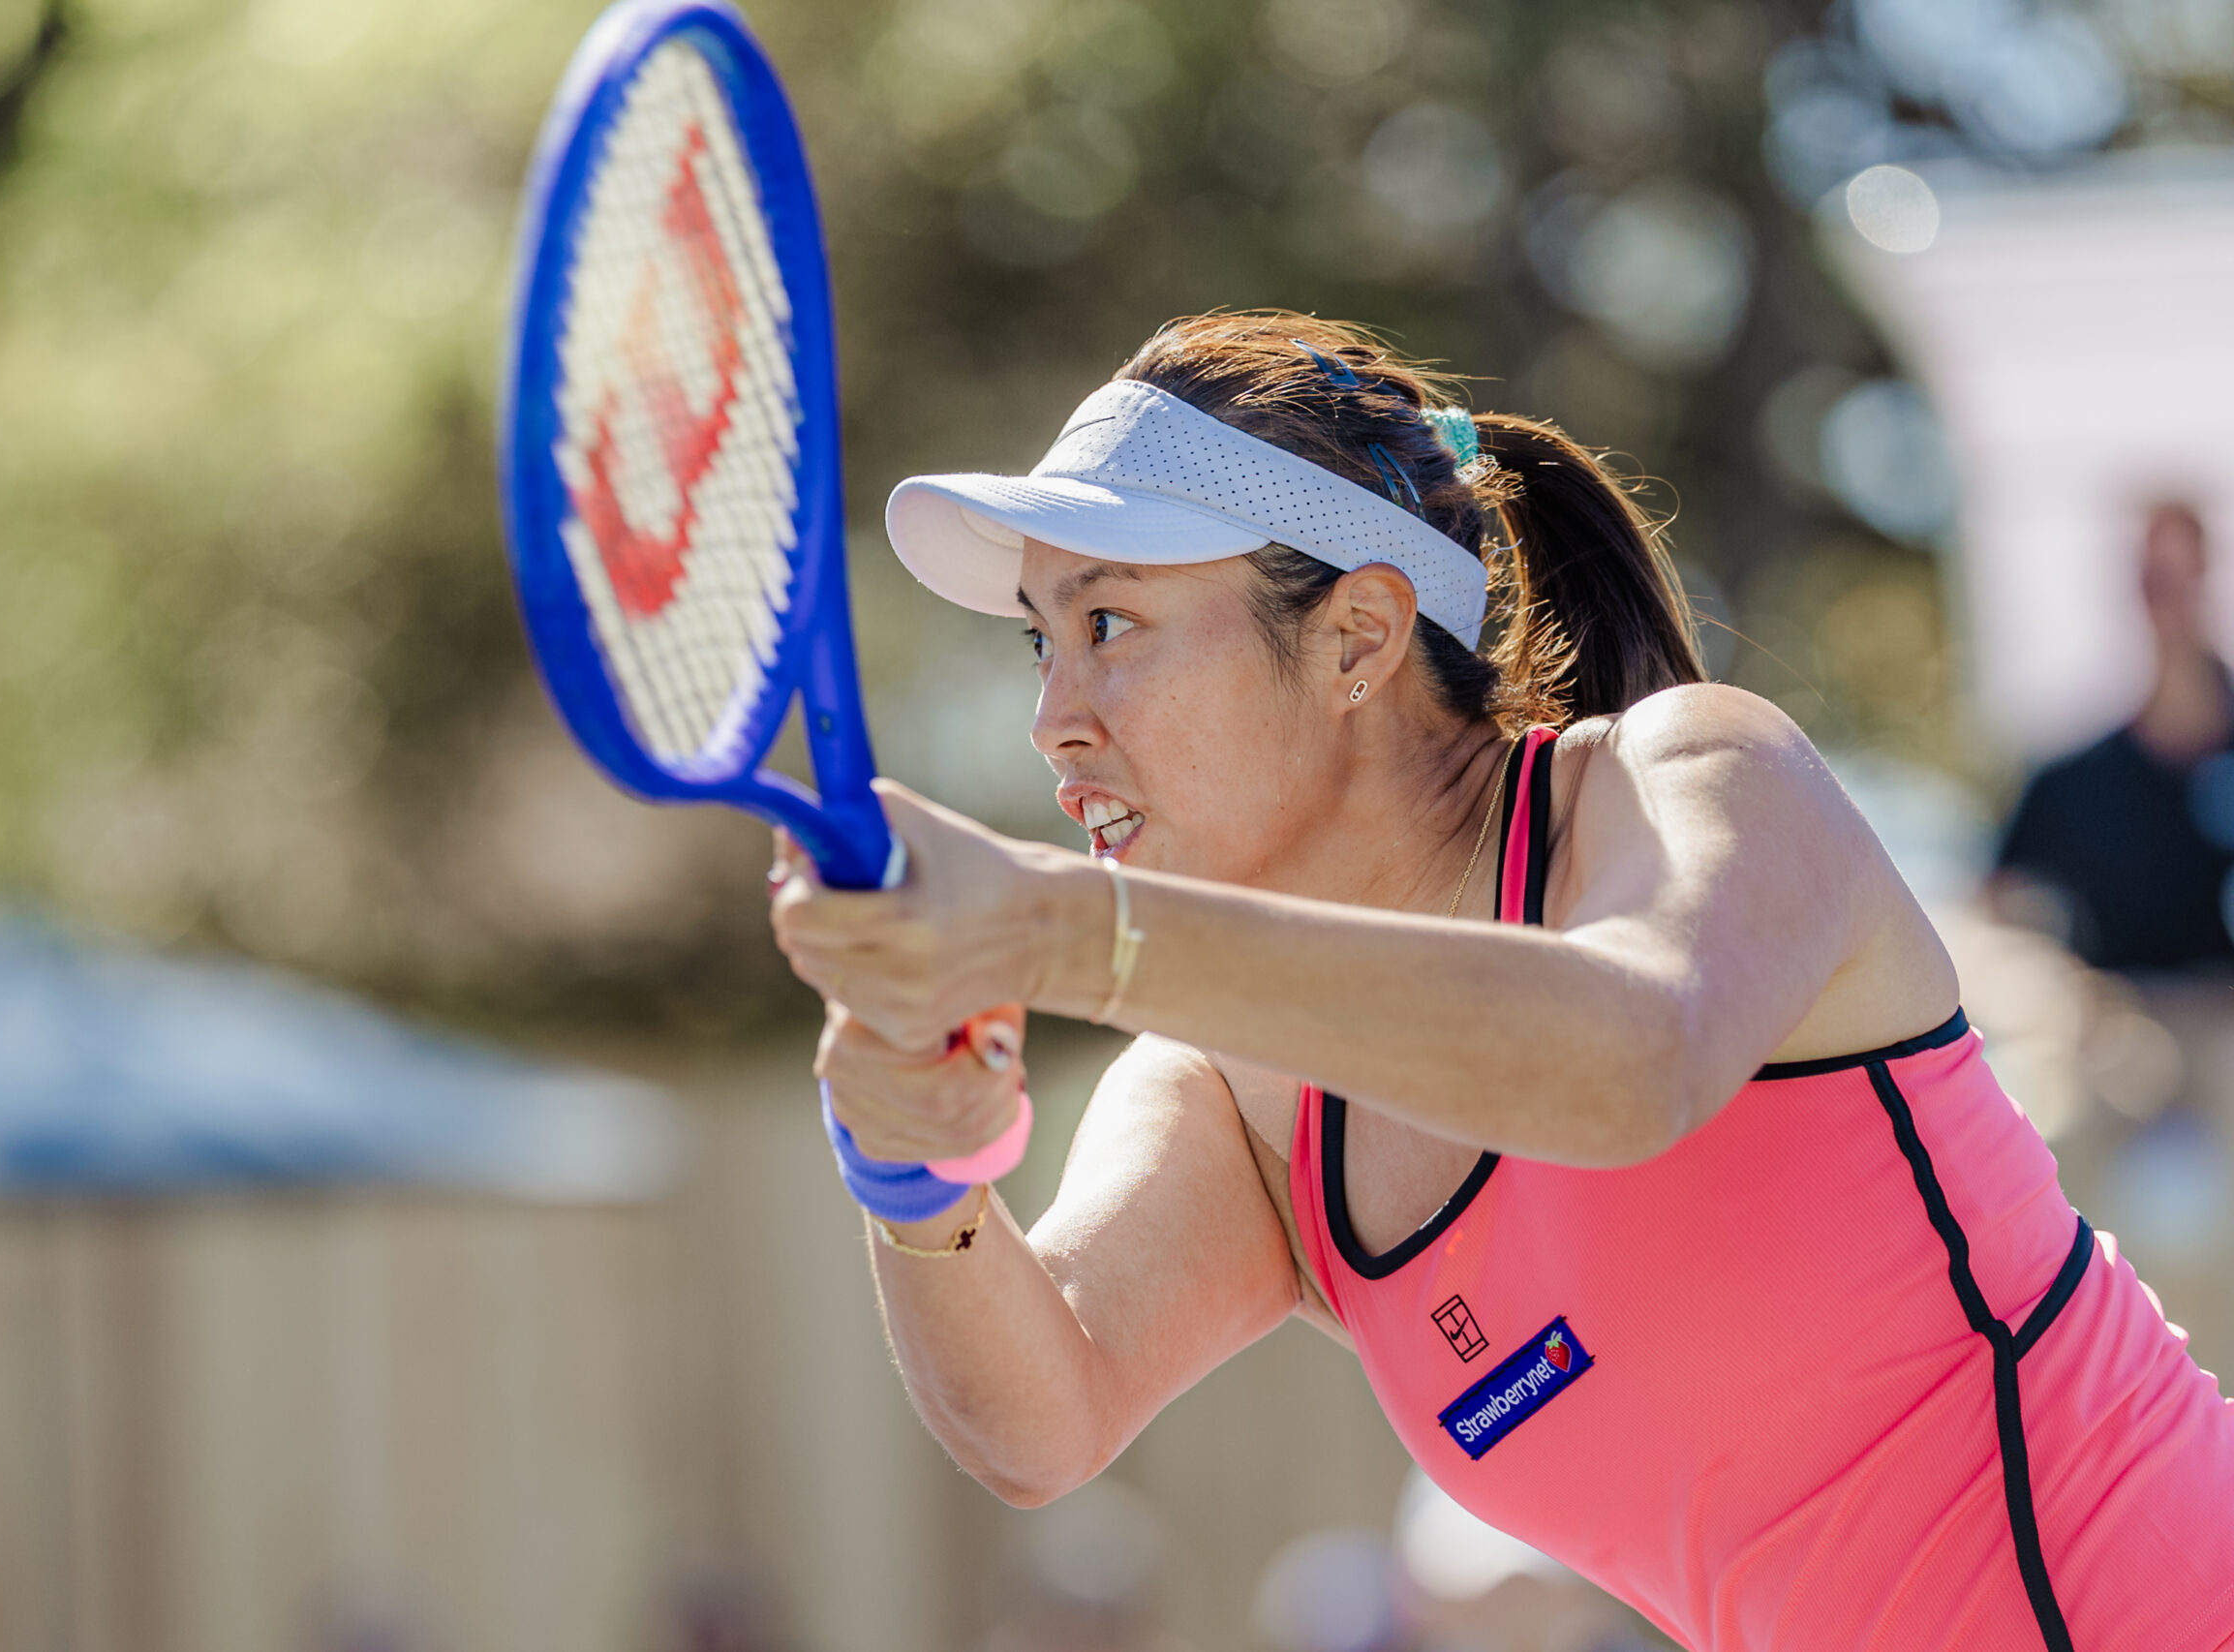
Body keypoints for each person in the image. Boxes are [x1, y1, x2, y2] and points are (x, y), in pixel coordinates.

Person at [769, 313, 2234, 1652]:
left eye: (1108, 624)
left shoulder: (1702, 771)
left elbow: (1630, 1059)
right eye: (1040, 637)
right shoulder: (1231, 1084)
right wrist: (914, 1167)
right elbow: (1041, 1413)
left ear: (1357, 636)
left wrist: (1061, 931)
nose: (1052, 719)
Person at [1993, 503, 2234, 973]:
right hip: (2128, 1025)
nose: (2174, 603)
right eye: (2158, 581)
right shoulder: (2071, 786)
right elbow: (1999, 906)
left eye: (2187, 577)